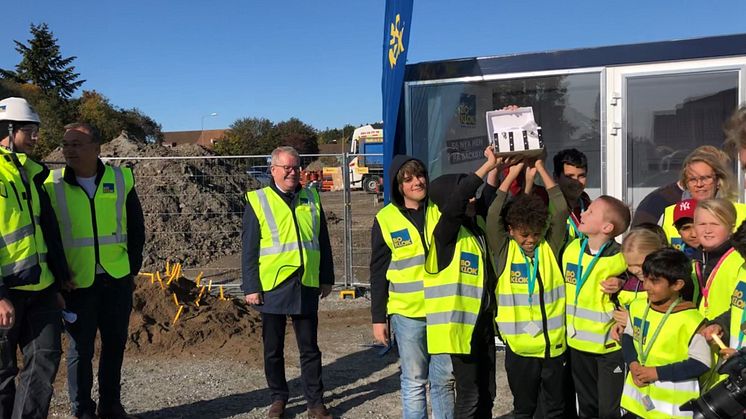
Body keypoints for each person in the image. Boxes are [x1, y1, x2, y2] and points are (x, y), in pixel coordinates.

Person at [44, 122, 145, 419]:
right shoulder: (52, 185)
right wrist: (60, 276)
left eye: (76, 144)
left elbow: (136, 228)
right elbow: (49, 237)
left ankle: (111, 404)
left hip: (116, 279)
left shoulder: (122, 178)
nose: (69, 150)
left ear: (97, 148)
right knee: (80, 350)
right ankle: (82, 409)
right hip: (76, 282)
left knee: (115, 345)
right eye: (66, 144)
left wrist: (131, 269)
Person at [242, 146, 334, 419]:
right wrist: (251, 287)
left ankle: (315, 403)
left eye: (296, 167)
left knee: (310, 349)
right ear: (273, 170)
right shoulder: (258, 200)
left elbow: (323, 241)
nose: (293, 172)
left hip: (305, 283)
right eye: (287, 168)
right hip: (273, 286)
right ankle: (278, 398)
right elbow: (249, 248)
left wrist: (326, 277)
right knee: (273, 350)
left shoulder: (312, 197)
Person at [0, 97, 71, 418]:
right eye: (29, 130)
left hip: (40, 290)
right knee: (2, 375)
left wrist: (55, 282)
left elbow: (46, 232)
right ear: (7, 129)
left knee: (45, 360)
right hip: (6, 292)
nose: (36, 137)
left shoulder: (32, 174)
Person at [369, 155, 455, 419]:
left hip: (442, 311)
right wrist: (378, 318)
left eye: (420, 176)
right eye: (409, 179)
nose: (417, 182)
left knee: (444, 380)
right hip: (407, 314)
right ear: (398, 185)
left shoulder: (440, 209)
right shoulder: (385, 219)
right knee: (415, 379)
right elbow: (378, 272)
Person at [485, 156, 568, 418]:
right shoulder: (503, 251)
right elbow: (493, 213)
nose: (530, 240)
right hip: (520, 351)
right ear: (510, 230)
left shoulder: (549, 248)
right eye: (524, 234)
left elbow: (561, 209)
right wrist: (514, 172)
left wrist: (541, 167)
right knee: (523, 410)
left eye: (535, 233)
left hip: (554, 348)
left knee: (554, 409)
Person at [425, 146, 500, 418]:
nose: (472, 199)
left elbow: (490, 197)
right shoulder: (445, 233)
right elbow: (458, 200)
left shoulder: (475, 224)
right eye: (467, 195)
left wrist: (499, 166)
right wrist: (486, 165)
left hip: (482, 324)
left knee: (487, 391)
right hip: (460, 329)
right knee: (469, 395)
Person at [619, 248, 709, 419]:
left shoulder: (692, 320)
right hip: (636, 404)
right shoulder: (638, 306)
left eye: (655, 281)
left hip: (671, 411)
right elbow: (629, 337)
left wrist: (656, 373)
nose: (646, 286)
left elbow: (701, 363)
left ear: (677, 285)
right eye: (645, 278)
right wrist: (632, 363)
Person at [563, 194, 630, 419]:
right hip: (577, 344)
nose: (583, 213)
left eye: (590, 212)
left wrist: (623, 283)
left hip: (608, 349)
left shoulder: (622, 257)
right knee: (587, 408)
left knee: (609, 411)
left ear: (607, 227)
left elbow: (639, 286)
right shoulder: (572, 249)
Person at [659, 146, 746, 247]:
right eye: (692, 179)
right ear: (685, 184)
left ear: (718, 181)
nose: (699, 184)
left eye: (705, 178)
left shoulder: (742, 212)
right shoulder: (669, 214)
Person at [608, 226, 669, 344]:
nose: (635, 270)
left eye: (640, 264)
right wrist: (619, 323)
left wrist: (631, 321)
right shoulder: (627, 280)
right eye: (629, 265)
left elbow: (666, 321)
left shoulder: (666, 285)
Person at [552, 148, 592, 242]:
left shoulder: (591, 209)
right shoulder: (546, 207)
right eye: (569, 177)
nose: (576, 182)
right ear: (555, 177)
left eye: (581, 176)